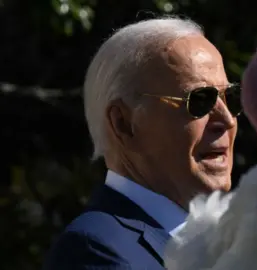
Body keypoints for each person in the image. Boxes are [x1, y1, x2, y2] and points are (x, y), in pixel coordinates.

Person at [43, 16, 240, 269]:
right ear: (123, 124)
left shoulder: (229, 243)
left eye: (230, 98)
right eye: (200, 100)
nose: (227, 120)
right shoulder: (95, 250)